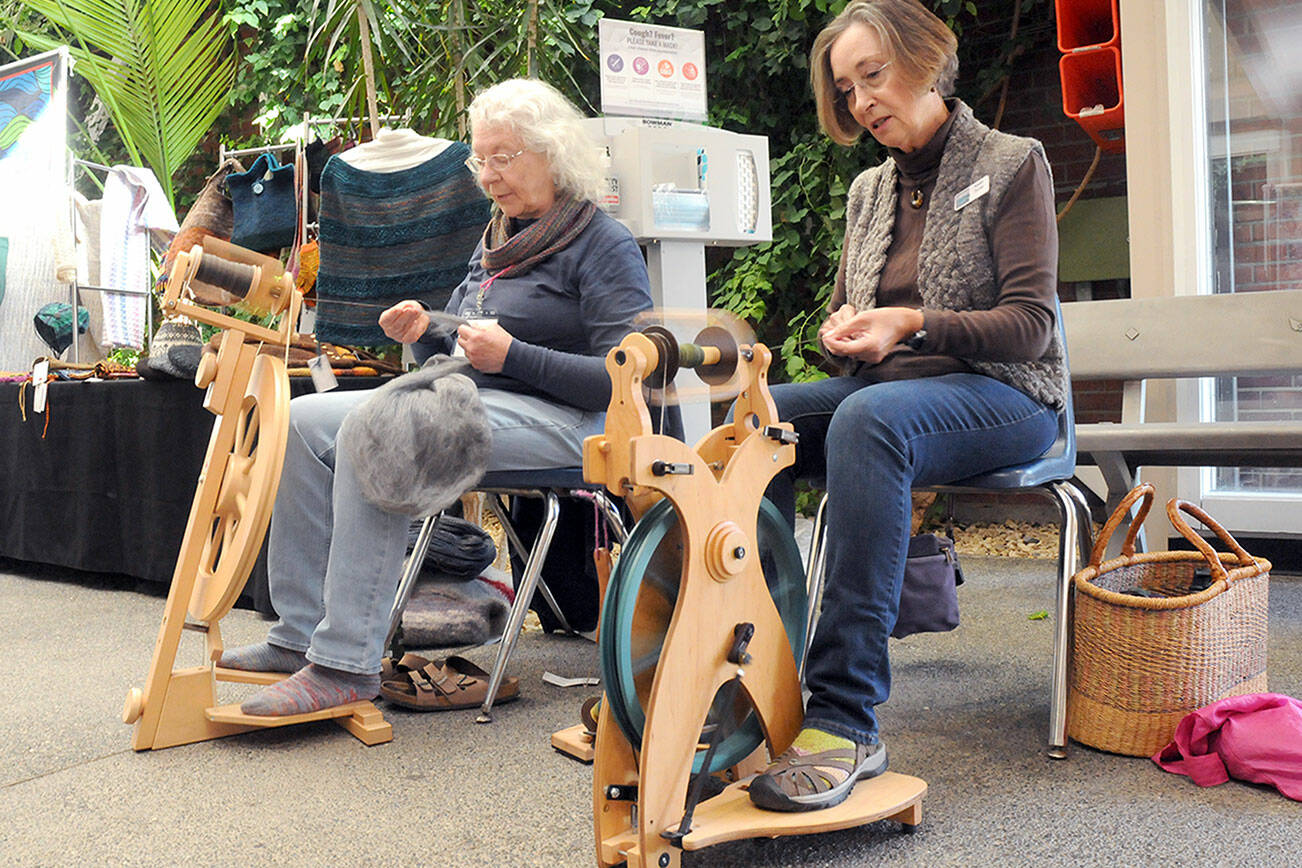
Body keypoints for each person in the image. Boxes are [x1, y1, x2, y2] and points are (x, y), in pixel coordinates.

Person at [220, 78, 653, 716]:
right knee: (302, 420)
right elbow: (455, 350)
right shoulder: (497, 239)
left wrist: (515, 356)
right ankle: (299, 635)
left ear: (553, 153)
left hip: (571, 424)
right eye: (481, 159)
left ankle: (344, 665)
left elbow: (627, 375)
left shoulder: (602, 243)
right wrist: (424, 333)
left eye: (504, 157)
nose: (488, 175)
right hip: (471, 401)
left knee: (385, 429)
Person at [746, 0, 1067, 812]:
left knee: (865, 423)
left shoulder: (1012, 159)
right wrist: (842, 333)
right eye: (847, 89)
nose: (861, 101)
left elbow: (1030, 329)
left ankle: (845, 716)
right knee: (758, 421)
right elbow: (847, 324)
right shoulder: (867, 190)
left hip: (1008, 395)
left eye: (873, 76)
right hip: (889, 395)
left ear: (925, 60)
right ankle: (757, 675)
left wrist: (915, 320)